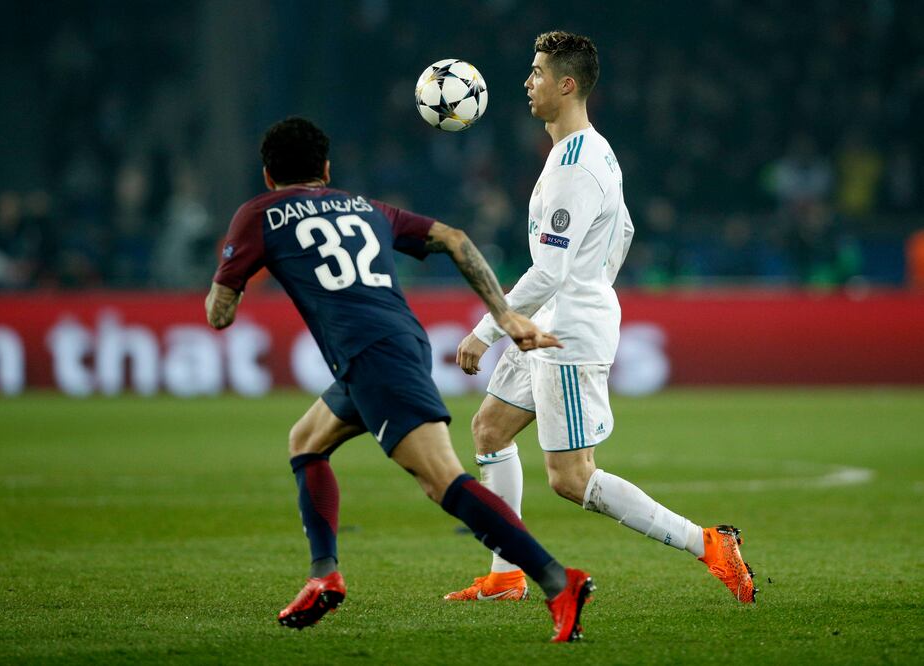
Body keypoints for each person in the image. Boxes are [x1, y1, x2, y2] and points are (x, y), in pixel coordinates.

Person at [205, 116, 595, 642]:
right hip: (386, 348)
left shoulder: (259, 214)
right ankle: (324, 576)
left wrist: (230, 277)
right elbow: (454, 238)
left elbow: (220, 315)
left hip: (374, 359)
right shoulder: (363, 207)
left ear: (268, 174)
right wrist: (504, 317)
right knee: (306, 441)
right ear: (325, 168)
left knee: (443, 481)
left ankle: (556, 580)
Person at [444, 31, 757, 604]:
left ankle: (708, 543)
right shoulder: (594, 150)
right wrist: (593, 283)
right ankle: (507, 575)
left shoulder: (573, 169)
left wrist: (486, 329)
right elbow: (626, 228)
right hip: (555, 320)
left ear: (566, 85)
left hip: (563, 333)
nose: (527, 82)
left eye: (537, 72)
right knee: (490, 428)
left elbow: (549, 273)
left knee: (571, 477)